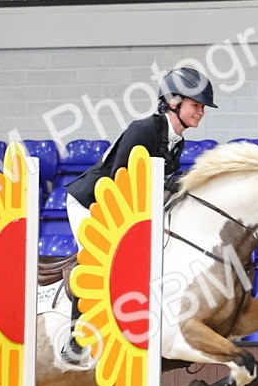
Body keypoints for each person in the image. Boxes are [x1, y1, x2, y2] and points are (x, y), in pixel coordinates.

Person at [61, 66, 218, 364]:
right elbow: (121, 181)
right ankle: (75, 339)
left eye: (201, 107)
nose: (201, 113)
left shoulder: (176, 140)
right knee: (97, 260)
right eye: (196, 105)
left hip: (120, 205)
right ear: (173, 102)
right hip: (91, 201)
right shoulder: (144, 129)